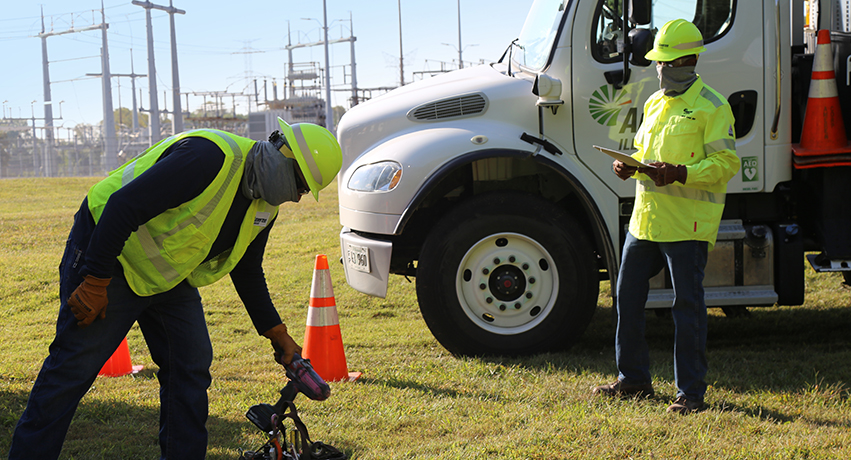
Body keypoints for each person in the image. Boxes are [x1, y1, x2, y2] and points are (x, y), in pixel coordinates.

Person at [9, 118, 343, 458]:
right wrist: (95, 280)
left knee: (190, 364)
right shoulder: (207, 157)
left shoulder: (264, 206)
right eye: (300, 187)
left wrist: (278, 335)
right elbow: (123, 206)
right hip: (109, 254)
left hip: (165, 276)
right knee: (73, 369)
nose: (297, 199)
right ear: (282, 157)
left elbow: (246, 269)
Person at [591, 19, 740, 414]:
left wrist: (682, 172)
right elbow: (642, 151)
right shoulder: (655, 103)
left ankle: (691, 395)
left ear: (689, 61)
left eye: (667, 62)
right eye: (658, 62)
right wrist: (629, 165)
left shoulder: (713, 106)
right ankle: (633, 379)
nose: (660, 69)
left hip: (687, 224)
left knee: (686, 307)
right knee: (626, 297)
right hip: (646, 221)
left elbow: (726, 162)